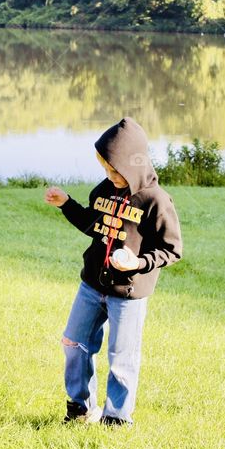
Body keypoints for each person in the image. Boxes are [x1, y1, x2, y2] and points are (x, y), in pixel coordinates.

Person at [44, 117, 182, 425]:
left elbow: (172, 249)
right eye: (105, 168)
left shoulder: (156, 201)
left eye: (114, 169)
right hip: (92, 285)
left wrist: (137, 263)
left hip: (128, 294)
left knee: (121, 358)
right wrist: (67, 204)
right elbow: (94, 226)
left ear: (133, 163)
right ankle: (80, 407)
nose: (109, 175)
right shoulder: (105, 190)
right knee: (74, 343)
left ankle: (117, 418)